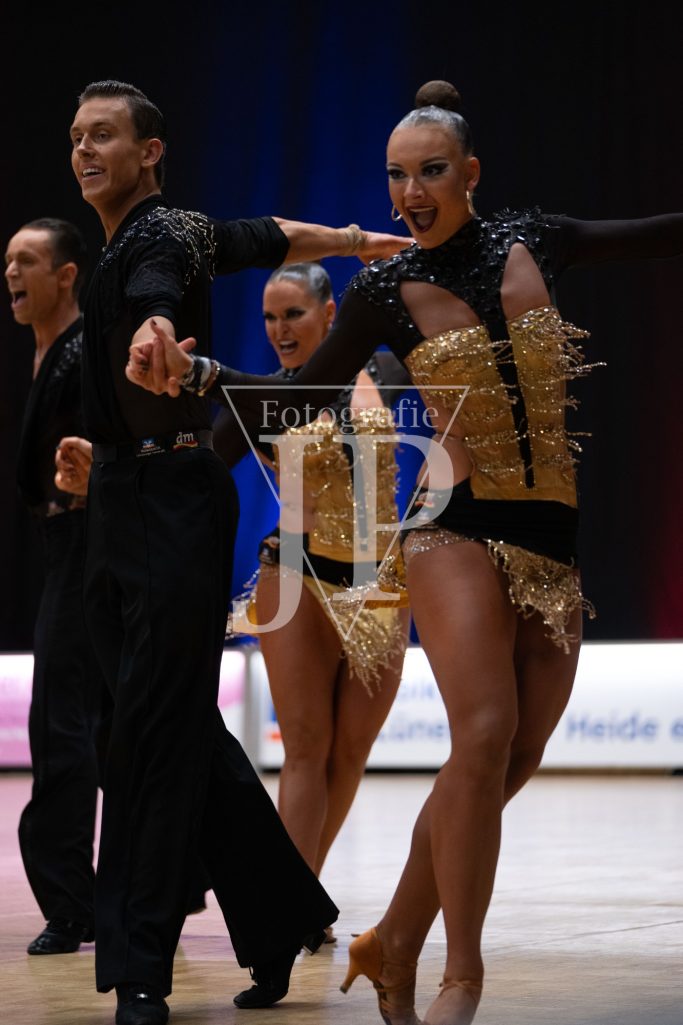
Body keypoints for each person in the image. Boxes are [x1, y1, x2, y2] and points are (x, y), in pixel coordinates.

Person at [128, 79, 683, 1025]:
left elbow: (658, 232)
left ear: (470, 172)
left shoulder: (536, 239)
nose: (410, 192)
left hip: (554, 536)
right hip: (451, 526)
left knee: (511, 757)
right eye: (395, 175)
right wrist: (203, 384)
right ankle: (457, 975)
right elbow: (302, 399)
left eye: (429, 171)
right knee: (480, 732)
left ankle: (388, 938)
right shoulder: (384, 290)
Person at [68, 78, 407, 1025]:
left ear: (150, 152)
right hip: (119, 499)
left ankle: (141, 968)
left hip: (171, 502)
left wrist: (157, 330)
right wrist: (351, 239)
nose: (84, 150)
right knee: (161, 723)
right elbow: (274, 235)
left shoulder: (162, 238)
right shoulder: (171, 237)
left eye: (104, 135)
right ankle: (281, 916)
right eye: (76, 136)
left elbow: (157, 301)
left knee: (150, 733)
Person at [217, 262, 410, 895]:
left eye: (293, 313)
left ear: (330, 314)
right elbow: (199, 465)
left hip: (380, 584)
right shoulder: (266, 397)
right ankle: (288, 909)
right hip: (295, 574)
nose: (280, 329)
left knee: (349, 751)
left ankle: (303, 895)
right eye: (269, 318)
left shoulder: (387, 369)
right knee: (305, 746)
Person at [5, 218, 107, 956]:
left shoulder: (83, 350)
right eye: (8, 261)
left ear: (66, 275)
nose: (11, 273)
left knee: (62, 724)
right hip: (64, 544)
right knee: (99, 723)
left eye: (27, 261)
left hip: (87, 546)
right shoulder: (48, 350)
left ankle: (70, 904)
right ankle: (166, 885)